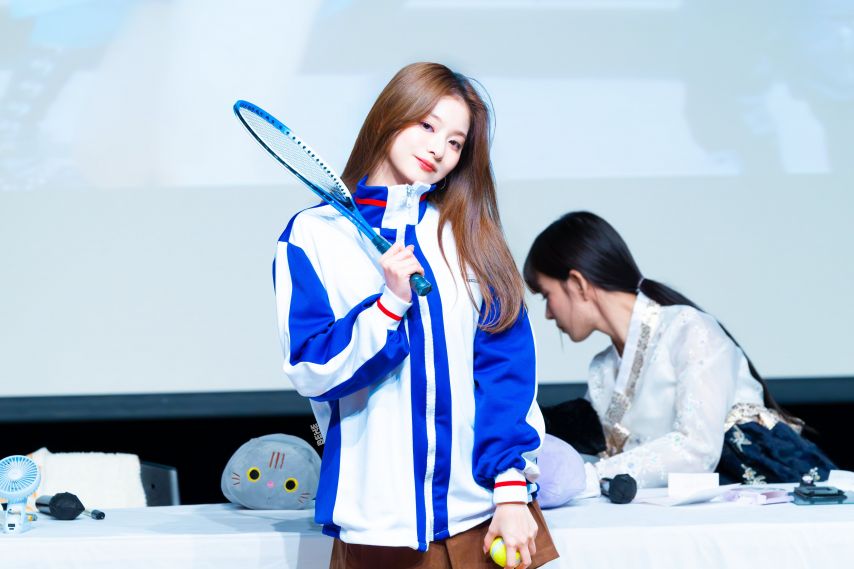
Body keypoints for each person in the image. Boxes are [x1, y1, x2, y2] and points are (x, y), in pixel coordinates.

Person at [274, 63, 557, 569]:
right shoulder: (313, 235)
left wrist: (512, 491)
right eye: (427, 125)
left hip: (485, 516)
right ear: (391, 115)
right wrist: (389, 305)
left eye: (455, 142)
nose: (438, 149)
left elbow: (506, 372)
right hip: (378, 526)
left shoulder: (470, 236)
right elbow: (311, 370)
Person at [524, 211, 836, 489]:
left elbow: (697, 449)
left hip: (759, 496)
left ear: (577, 283)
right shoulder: (603, 370)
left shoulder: (689, 330)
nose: (548, 314)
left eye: (546, 296)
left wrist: (591, 476)